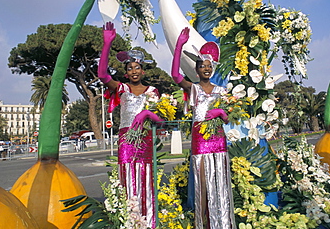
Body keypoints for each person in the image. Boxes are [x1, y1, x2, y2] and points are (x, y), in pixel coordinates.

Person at [98, 22, 161, 228]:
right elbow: (102, 75)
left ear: (143, 71)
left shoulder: (152, 91)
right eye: (130, 68)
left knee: (146, 180)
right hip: (126, 140)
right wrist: (107, 43)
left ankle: (149, 223)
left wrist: (147, 113)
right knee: (127, 179)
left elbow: (161, 121)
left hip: (146, 140)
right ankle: (128, 223)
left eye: (138, 67)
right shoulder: (122, 88)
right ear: (126, 73)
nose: (134, 71)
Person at [171, 27, 236, 229]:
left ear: (212, 68)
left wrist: (221, 113)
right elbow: (175, 75)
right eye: (202, 66)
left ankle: (223, 223)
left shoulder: (222, 91)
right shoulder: (194, 89)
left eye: (209, 66)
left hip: (219, 142)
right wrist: (179, 45)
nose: (206, 69)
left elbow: (229, 119)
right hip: (200, 144)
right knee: (202, 186)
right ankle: (204, 224)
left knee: (221, 185)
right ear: (197, 69)